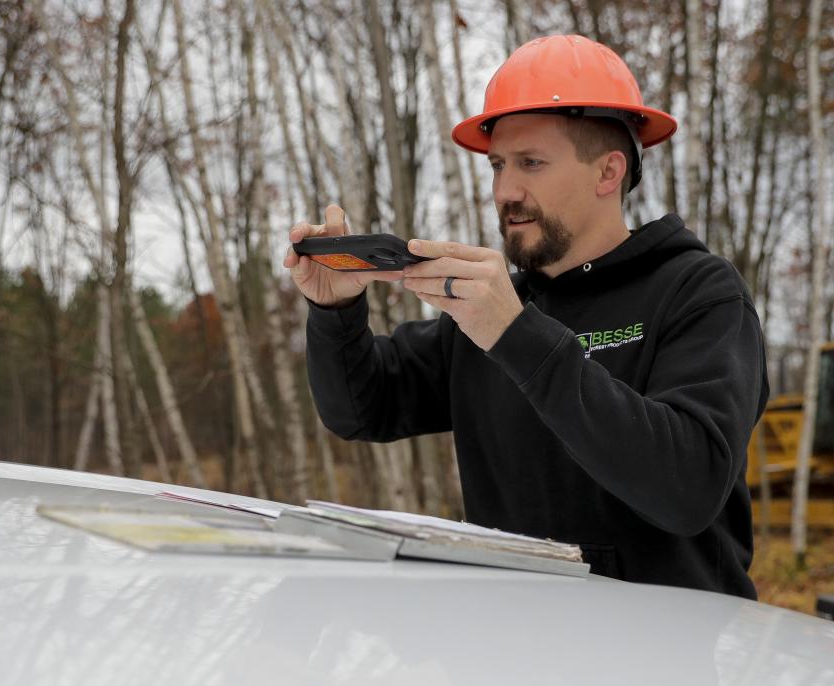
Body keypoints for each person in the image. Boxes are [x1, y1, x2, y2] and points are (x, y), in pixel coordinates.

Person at [283, 35, 768, 599]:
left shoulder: (698, 293)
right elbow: (360, 410)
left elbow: (689, 486)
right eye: (497, 166)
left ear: (608, 172)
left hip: (666, 657)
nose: (505, 191)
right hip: (515, 649)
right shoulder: (496, 311)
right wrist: (334, 309)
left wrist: (516, 336)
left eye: (531, 163)